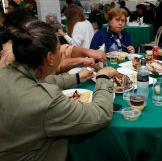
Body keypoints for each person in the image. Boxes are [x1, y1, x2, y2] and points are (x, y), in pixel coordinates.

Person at [0, 19, 118, 160]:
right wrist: (103, 78)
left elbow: (41, 81)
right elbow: (101, 114)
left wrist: (77, 78)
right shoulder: (47, 102)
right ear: (50, 57)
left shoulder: (6, 72)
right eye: (59, 48)